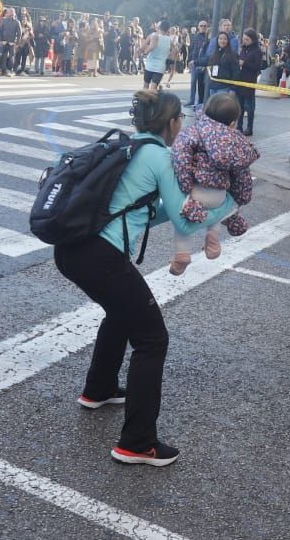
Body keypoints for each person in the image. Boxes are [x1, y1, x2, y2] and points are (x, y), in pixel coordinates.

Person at [53, 89, 235, 466]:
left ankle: (98, 389)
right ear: (170, 123)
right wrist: (227, 201)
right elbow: (185, 220)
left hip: (72, 249)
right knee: (152, 338)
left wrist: (183, 204)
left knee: (122, 312)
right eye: (180, 119)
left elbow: (147, 213)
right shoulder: (159, 156)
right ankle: (137, 442)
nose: (182, 126)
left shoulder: (130, 148)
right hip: (100, 257)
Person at [169, 91, 257, 275]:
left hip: (196, 191)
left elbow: (180, 156)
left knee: (182, 220)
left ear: (205, 111)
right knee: (218, 210)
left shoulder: (195, 131)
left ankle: (182, 254)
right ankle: (213, 239)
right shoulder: (236, 141)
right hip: (219, 195)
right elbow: (242, 176)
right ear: (233, 123)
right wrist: (240, 198)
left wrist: (185, 187)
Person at [236, 27, 264, 135]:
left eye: (247, 39)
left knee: (249, 106)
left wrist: (244, 63)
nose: (245, 41)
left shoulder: (257, 51)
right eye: (244, 39)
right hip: (240, 81)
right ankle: (239, 126)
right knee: (240, 106)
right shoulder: (244, 49)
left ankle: (249, 128)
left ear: (253, 39)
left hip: (249, 81)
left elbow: (257, 67)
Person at [141, 19, 174, 88]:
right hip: (160, 67)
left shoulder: (154, 35)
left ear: (159, 27)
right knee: (154, 88)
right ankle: (154, 98)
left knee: (145, 86)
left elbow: (150, 47)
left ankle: (145, 99)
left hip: (150, 65)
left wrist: (144, 53)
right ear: (168, 29)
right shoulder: (170, 40)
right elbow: (173, 52)